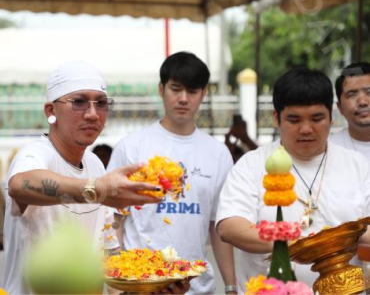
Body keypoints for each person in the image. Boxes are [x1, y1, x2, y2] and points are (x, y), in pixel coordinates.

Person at [1, 61, 161, 295]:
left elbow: (108, 256)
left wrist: (149, 287)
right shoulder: (36, 154)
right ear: (50, 111)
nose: (93, 113)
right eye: (79, 102)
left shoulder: (95, 165)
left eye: (102, 103)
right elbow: (19, 184)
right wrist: (95, 189)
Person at [215, 67, 370, 292]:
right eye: (294, 119)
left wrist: (335, 240)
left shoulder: (358, 165)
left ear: (331, 116)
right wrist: (293, 244)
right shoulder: (251, 165)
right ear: (276, 118)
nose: (306, 129)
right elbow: (230, 227)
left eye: (317, 118)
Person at [108, 52, 237, 294]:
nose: (183, 99)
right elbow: (113, 219)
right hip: (142, 286)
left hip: (197, 287)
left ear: (204, 94)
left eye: (193, 91)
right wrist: (119, 285)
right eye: (175, 89)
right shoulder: (132, 147)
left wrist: (231, 286)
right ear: (161, 89)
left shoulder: (218, 154)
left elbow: (217, 227)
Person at [330, 62, 370, 159]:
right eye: (352, 95)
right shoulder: (329, 151)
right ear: (340, 107)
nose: (362, 102)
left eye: (369, 92)